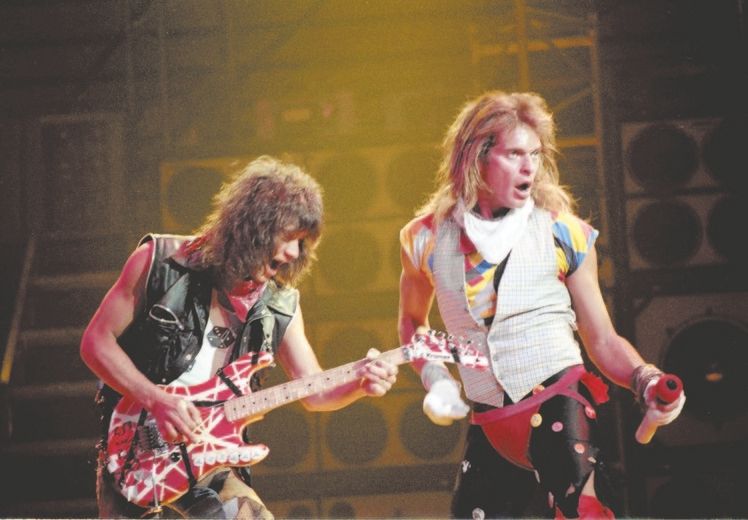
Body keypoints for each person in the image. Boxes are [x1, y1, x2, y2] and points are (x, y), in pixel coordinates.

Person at [397, 91, 685, 519]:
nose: (529, 166)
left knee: (584, 511)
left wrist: (645, 379)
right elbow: (412, 322)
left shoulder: (564, 234)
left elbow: (602, 339)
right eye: (514, 154)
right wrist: (435, 377)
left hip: (558, 403)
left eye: (534, 154)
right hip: (489, 423)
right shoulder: (424, 239)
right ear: (476, 156)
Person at [81, 155, 399, 519]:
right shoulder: (161, 262)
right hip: (136, 450)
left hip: (212, 457)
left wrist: (360, 383)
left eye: (302, 243)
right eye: (289, 237)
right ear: (252, 225)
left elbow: (314, 391)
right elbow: (96, 342)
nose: (293, 253)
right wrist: (156, 400)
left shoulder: (280, 305)